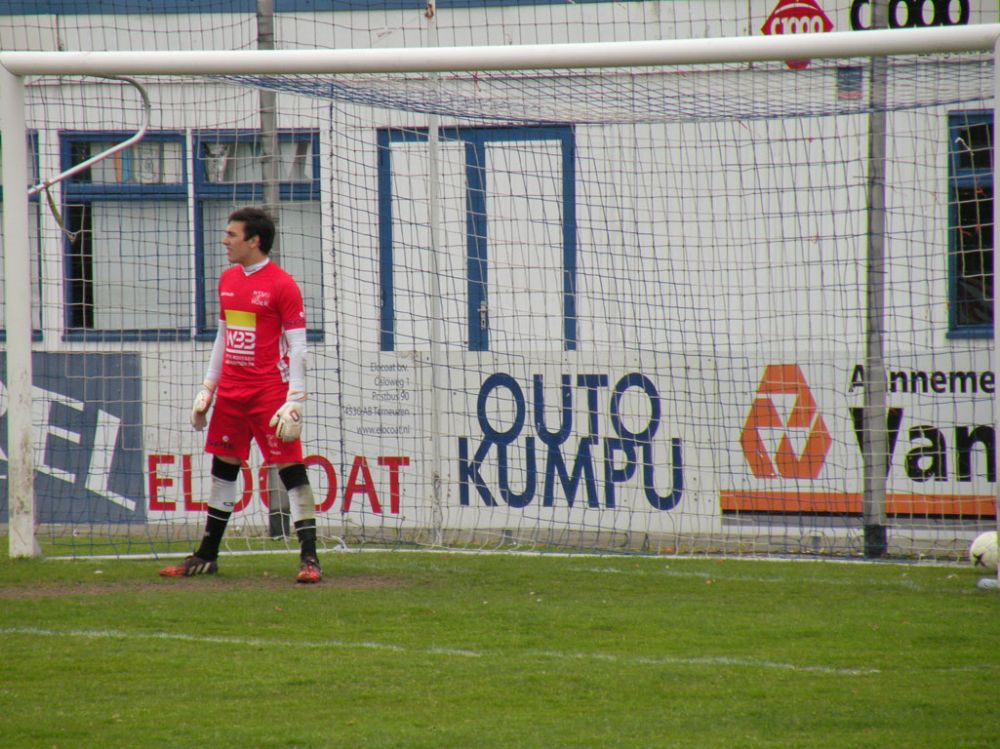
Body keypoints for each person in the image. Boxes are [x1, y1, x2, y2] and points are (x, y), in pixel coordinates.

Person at [160, 207, 321, 584]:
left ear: (255, 241)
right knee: (224, 467)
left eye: (232, 235)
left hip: (269, 392)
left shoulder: (282, 285)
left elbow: (298, 346)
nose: (224, 241)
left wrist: (295, 398)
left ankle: (310, 559)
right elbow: (224, 336)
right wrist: (208, 387)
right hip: (232, 393)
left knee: (290, 468)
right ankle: (206, 556)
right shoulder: (228, 279)